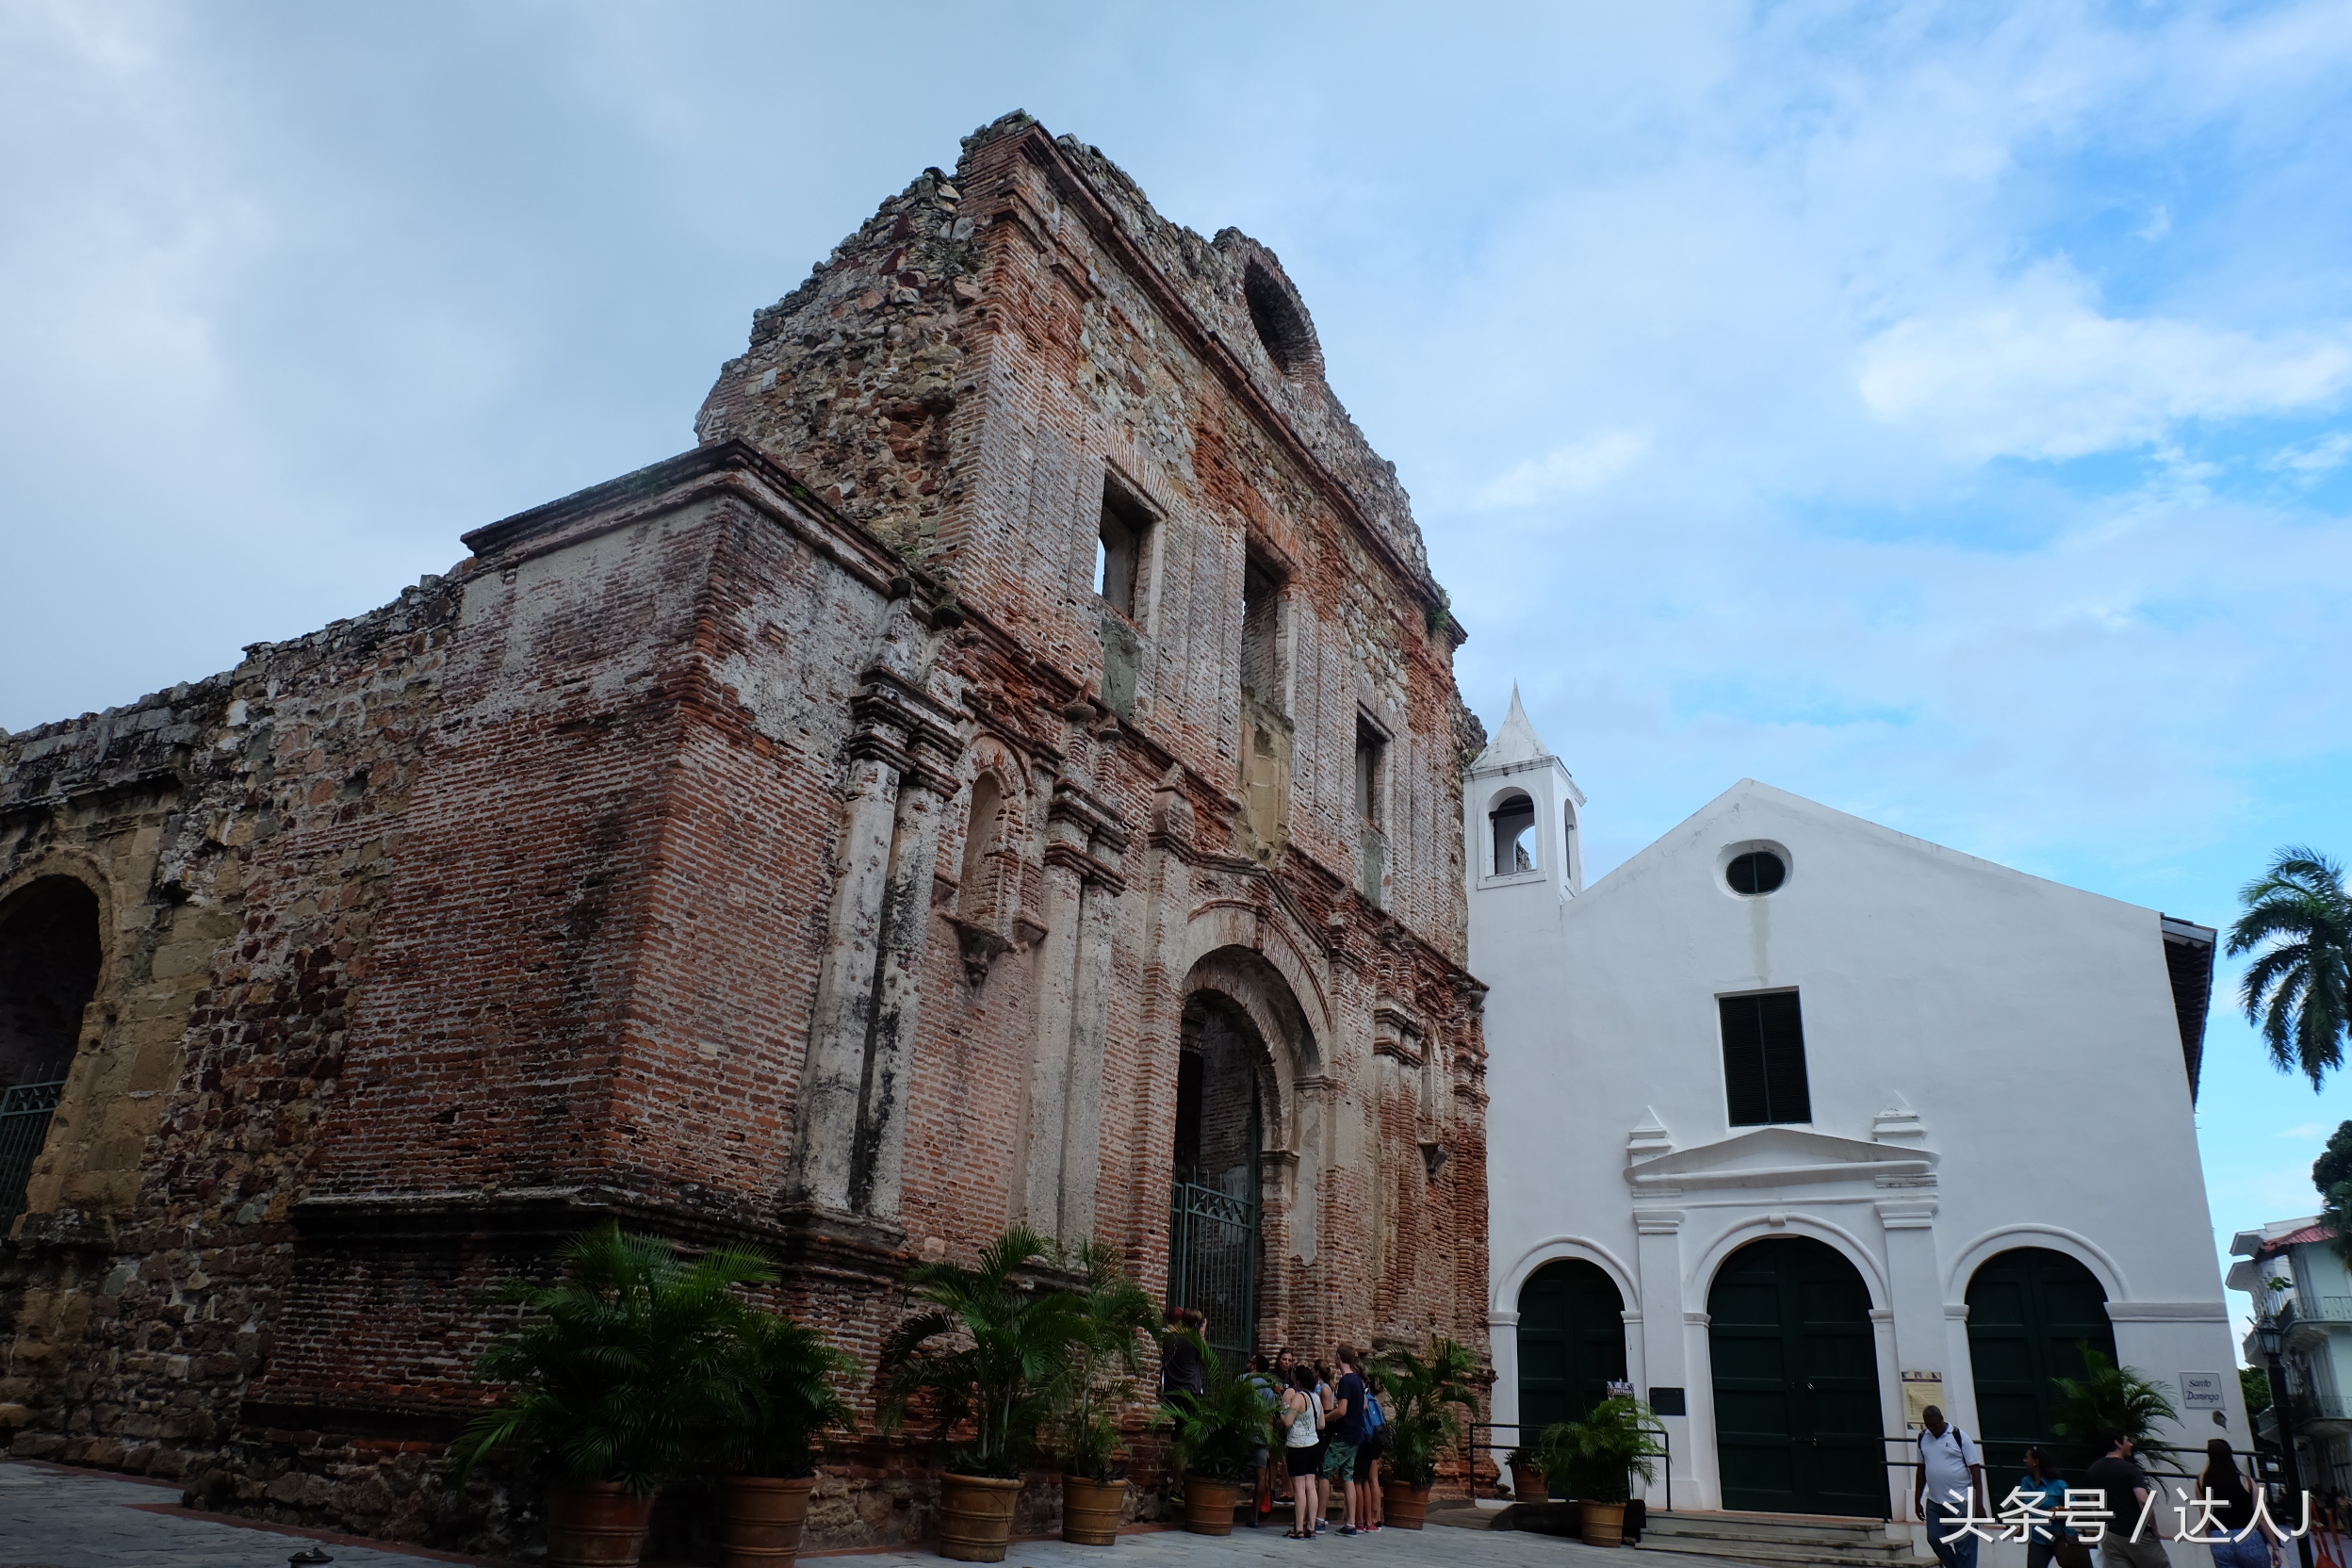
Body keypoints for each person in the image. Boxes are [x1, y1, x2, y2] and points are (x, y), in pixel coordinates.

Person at [1914, 1405, 1990, 1568]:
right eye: (1929, 1426)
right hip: (1935, 1501)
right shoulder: (1922, 1438)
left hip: (1962, 1500)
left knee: (1964, 1547)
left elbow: (1975, 1471)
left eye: (1935, 1425)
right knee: (1935, 1539)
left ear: (1942, 1419)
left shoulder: (1959, 1437)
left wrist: (1978, 1504)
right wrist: (1917, 1500)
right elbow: (1921, 1470)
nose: (1932, 1429)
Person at [2085, 1430, 2170, 1568]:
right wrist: (2154, 1528)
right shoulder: (2130, 1469)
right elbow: (2143, 1500)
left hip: (2110, 1535)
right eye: (2128, 1441)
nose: (2131, 1444)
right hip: (2136, 1533)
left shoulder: (2093, 1469)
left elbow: (2094, 1502)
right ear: (2118, 1443)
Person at [2197, 1438, 2280, 1568]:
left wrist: (2212, 1542)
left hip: (2219, 1538)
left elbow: (2204, 1516)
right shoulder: (2246, 1481)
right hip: (2248, 1536)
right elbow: (2262, 1517)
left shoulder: (2201, 1481)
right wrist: (2275, 1547)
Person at [1281, 1364, 1325, 1540]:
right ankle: (1311, 1527)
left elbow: (1288, 1421)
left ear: (1297, 1380)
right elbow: (1321, 1424)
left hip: (1297, 1445)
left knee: (1299, 1488)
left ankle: (1299, 1528)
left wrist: (1283, 1407)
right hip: (1313, 1444)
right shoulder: (1316, 1397)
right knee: (1310, 1486)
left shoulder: (1299, 1397)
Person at [1329, 1346, 1368, 1535]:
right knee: (1348, 1477)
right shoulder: (1358, 1381)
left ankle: (1317, 1520)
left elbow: (1342, 1410)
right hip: (1356, 1435)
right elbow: (1363, 1406)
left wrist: (1323, 1417)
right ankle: (1351, 1523)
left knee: (1322, 1471)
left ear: (1338, 1357)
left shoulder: (1345, 1381)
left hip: (1344, 1435)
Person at [2015, 1447, 2068, 1568]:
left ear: (2036, 1462)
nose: (2024, 1460)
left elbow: (2075, 1509)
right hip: (2038, 1537)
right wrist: (2022, 1528)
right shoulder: (2026, 1482)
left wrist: (2059, 1509)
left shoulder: (2059, 1485)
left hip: (2060, 1536)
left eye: (2027, 1457)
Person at [1249, 1353, 1282, 1527]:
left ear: (1255, 1366)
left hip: (1242, 1431)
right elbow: (1273, 1416)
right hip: (1261, 1435)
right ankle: (1254, 1516)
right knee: (1260, 1476)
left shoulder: (1243, 1379)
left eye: (1251, 1361)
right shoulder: (1270, 1390)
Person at [1362, 1369, 1389, 1531]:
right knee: (1375, 1480)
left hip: (1371, 1440)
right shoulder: (1376, 1402)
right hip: (1379, 1439)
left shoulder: (1369, 1400)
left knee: (1370, 1479)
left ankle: (1373, 1517)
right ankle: (1377, 1516)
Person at [1160, 1306, 1206, 1396]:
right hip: (1190, 1388)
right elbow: (1207, 1361)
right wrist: (1202, 1335)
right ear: (1196, 1324)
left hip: (1171, 1388)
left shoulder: (1169, 1338)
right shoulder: (1195, 1340)